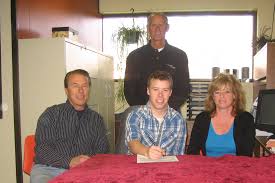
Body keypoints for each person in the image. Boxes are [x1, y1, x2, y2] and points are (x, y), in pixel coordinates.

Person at [30, 69, 109, 183]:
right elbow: (42, 151)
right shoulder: (51, 114)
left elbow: (102, 151)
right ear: (66, 90)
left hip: (85, 170)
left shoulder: (96, 119)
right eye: (75, 86)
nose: (81, 90)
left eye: (85, 86)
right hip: (49, 169)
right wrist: (70, 161)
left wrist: (87, 162)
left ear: (89, 89)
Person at [124, 12, 190, 112]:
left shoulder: (180, 56)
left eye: (161, 25)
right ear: (148, 28)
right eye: (153, 25)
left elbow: (184, 88)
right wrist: (145, 110)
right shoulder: (134, 57)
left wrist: (166, 109)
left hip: (171, 113)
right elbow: (129, 90)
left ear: (167, 27)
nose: (157, 29)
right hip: (142, 113)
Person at [187, 73, 255, 157]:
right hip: (206, 168)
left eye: (227, 92)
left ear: (234, 95)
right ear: (212, 96)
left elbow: (246, 155)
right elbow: (192, 152)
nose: (222, 96)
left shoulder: (246, 120)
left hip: (235, 168)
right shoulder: (202, 119)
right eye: (217, 92)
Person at [125, 70, 187, 159]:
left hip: (167, 170)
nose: (160, 95)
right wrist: (146, 151)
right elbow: (132, 144)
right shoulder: (135, 116)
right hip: (138, 168)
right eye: (155, 89)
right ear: (148, 91)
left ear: (170, 92)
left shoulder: (179, 120)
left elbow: (178, 155)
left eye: (165, 90)